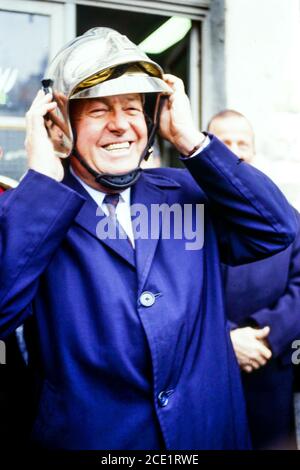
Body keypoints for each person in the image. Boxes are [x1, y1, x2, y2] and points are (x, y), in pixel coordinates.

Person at [0, 28, 297, 450]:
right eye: (99, 110)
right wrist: (41, 181)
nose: (120, 125)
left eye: (133, 109)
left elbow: (276, 230)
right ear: (59, 123)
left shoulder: (188, 191)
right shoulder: (34, 211)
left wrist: (192, 141)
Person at [208, 109, 300, 449]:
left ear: (254, 153)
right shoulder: (183, 219)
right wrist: (225, 339)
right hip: (205, 371)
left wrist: (262, 339)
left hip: (269, 370)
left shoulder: (286, 219)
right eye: (223, 142)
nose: (235, 150)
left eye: (242, 142)